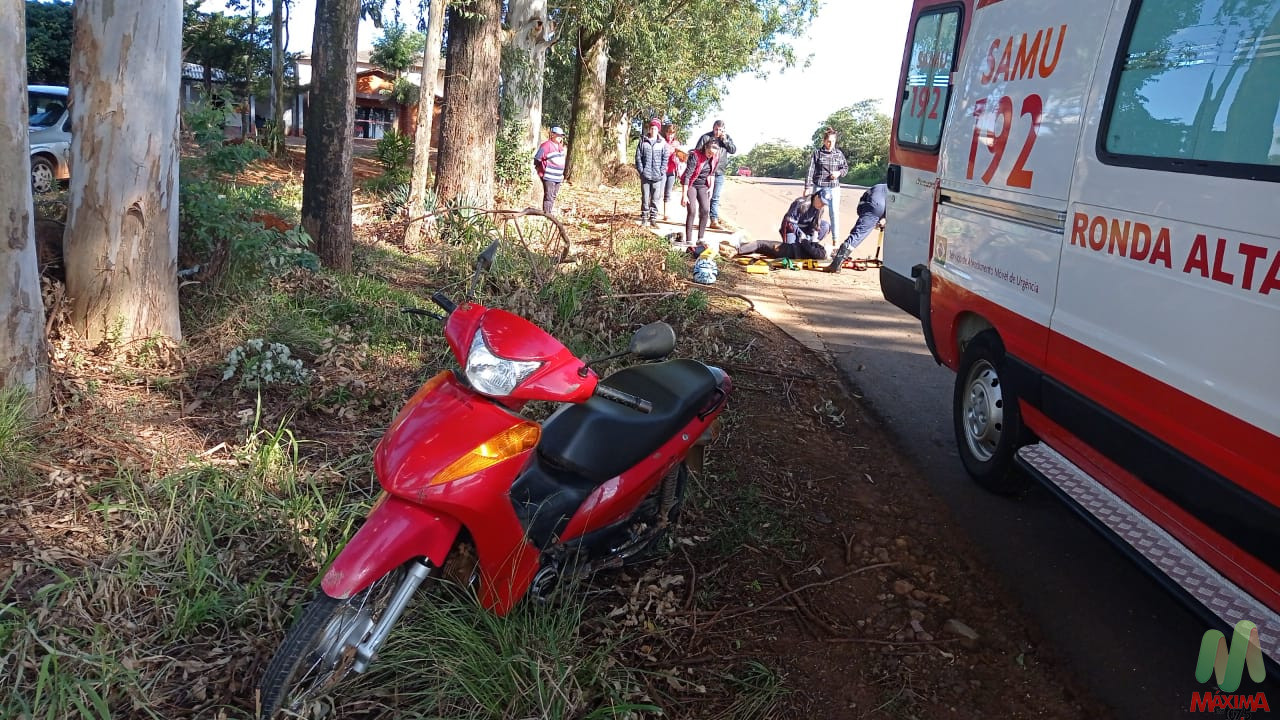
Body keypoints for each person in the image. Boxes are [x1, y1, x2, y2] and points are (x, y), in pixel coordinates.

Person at [827, 183, 888, 272]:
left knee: (857, 234)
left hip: (874, 203)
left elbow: (865, 211)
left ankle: (836, 264)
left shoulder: (874, 189)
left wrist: (872, 221)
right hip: (896, 204)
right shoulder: (893, 186)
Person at [803, 127, 849, 244]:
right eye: (828, 141)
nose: (830, 144)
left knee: (834, 213)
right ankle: (814, 238)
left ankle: (835, 240)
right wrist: (807, 187)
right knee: (816, 213)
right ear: (824, 141)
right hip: (819, 186)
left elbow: (845, 168)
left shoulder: (838, 153)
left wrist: (838, 173)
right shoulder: (817, 153)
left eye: (833, 141)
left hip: (834, 187)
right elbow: (811, 170)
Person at [695, 120, 737, 229]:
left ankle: (713, 220)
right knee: (704, 196)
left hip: (719, 172)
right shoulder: (705, 137)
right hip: (706, 171)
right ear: (713, 128)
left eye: (721, 130)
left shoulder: (726, 138)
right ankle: (702, 218)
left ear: (724, 130)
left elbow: (733, 150)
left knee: (715, 197)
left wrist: (725, 140)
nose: (718, 132)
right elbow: (697, 152)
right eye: (716, 129)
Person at [681, 140, 720, 247]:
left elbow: (712, 173)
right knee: (692, 210)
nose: (710, 156)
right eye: (709, 153)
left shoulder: (714, 158)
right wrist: (684, 195)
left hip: (703, 185)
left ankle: (700, 238)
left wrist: (711, 187)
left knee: (705, 209)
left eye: (713, 154)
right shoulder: (695, 156)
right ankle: (689, 239)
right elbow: (687, 176)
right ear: (705, 148)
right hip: (691, 184)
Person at [634, 117, 672, 228]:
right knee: (645, 197)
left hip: (657, 176)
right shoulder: (643, 141)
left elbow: (665, 158)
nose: (653, 130)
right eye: (652, 128)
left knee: (656, 198)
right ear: (649, 129)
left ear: (658, 129)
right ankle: (644, 218)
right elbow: (638, 157)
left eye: (655, 128)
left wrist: (661, 171)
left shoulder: (662, 143)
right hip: (645, 175)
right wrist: (641, 170)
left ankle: (653, 219)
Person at [533, 126, 568, 214]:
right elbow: (537, 159)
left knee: (553, 196)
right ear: (552, 135)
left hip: (558, 177)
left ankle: (550, 212)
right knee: (548, 196)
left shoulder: (560, 147)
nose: (560, 137)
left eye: (561, 135)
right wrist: (540, 171)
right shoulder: (546, 145)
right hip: (549, 176)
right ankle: (547, 215)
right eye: (558, 135)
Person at [661, 123, 686, 222]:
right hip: (662, 170)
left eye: (672, 133)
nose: (670, 135)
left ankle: (666, 214)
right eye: (668, 133)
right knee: (658, 192)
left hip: (672, 171)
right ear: (666, 133)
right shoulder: (662, 142)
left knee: (668, 193)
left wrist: (677, 158)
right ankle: (652, 210)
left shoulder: (677, 144)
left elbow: (682, 158)